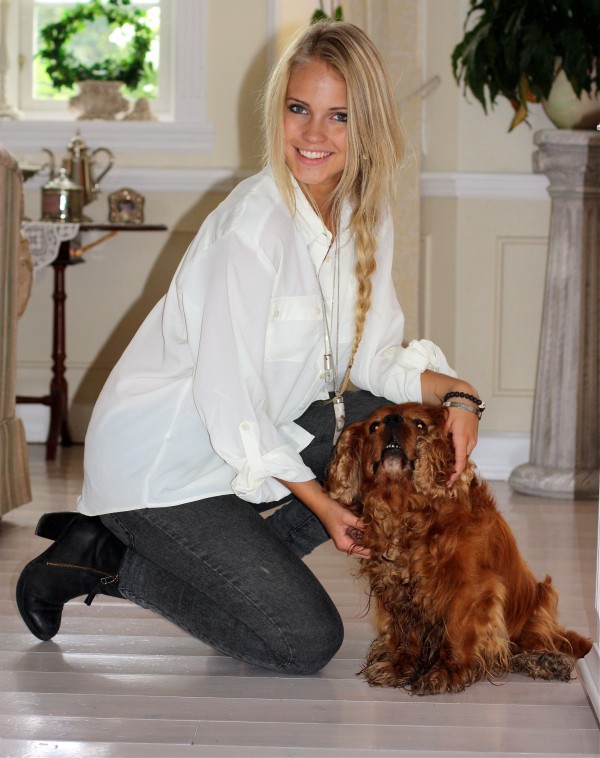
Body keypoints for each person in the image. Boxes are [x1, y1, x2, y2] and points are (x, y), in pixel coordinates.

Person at [16, 21, 482, 675]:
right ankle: (107, 558)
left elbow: (376, 359)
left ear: (368, 125)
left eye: (339, 116)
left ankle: (236, 572)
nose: (313, 134)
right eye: (299, 109)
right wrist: (323, 505)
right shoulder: (252, 227)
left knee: (385, 421)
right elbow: (231, 403)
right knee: (304, 641)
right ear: (278, 111)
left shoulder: (364, 214)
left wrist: (460, 395)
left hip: (239, 450)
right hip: (164, 471)